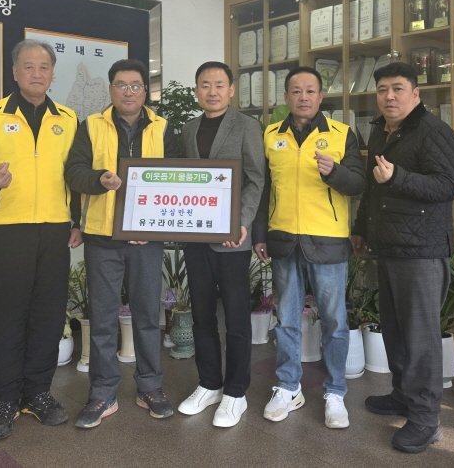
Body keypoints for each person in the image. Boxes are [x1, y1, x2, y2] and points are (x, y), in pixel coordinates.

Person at [0, 39, 82, 441]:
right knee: (7, 315)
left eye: (44, 67)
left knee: (48, 315)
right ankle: (5, 398)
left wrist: (77, 221)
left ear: (52, 73)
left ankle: (37, 393)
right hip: (6, 230)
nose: (36, 73)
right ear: (15, 72)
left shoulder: (68, 118)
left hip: (54, 229)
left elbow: (76, 174)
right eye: (28, 66)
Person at [350, 61, 454, 454]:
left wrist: (398, 176)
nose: (389, 97)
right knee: (395, 330)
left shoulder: (433, 132)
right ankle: (402, 395)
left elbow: (447, 186)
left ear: (416, 94)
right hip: (390, 247)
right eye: (382, 90)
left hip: (422, 252)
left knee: (420, 339)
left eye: (397, 89)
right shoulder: (380, 130)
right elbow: (372, 187)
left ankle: (426, 419)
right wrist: (361, 228)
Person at [67, 58, 178, 428]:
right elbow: (74, 173)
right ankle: (102, 392)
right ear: (110, 89)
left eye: (135, 85)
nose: (128, 92)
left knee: (147, 315)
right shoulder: (90, 126)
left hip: (148, 237)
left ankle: (150, 387)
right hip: (103, 237)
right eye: (121, 85)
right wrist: (99, 179)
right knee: (102, 318)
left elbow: (176, 178)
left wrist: (156, 227)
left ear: (145, 91)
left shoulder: (163, 128)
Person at [253, 66, 365, 429]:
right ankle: (288, 387)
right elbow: (263, 189)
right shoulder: (270, 135)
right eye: (296, 91)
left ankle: (335, 392)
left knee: (334, 320)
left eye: (310, 91)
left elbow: (358, 184)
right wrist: (259, 234)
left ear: (320, 96)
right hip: (284, 239)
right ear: (286, 97)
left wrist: (335, 172)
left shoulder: (342, 134)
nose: (303, 97)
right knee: (286, 319)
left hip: (327, 240)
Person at [176, 61, 265, 427]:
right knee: (201, 314)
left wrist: (241, 221)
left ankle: (236, 392)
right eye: (204, 84)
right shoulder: (189, 128)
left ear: (231, 90)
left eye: (218, 84)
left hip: (232, 237)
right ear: (196, 90)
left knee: (236, 315)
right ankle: (209, 383)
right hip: (196, 237)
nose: (211, 91)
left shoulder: (247, 126)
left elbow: (256, 179)